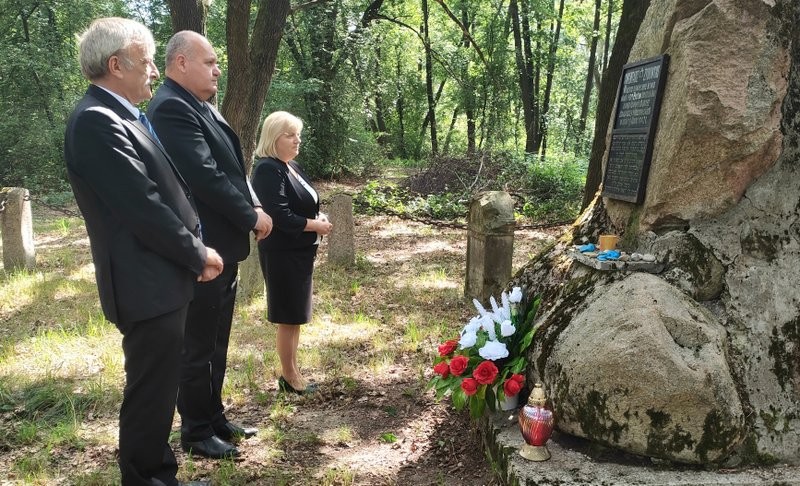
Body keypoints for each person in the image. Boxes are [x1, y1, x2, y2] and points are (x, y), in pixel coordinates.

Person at [64, 17, 221, 486]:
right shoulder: (96, 120)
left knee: (160, 386)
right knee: (151, 392)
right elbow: (144, 207)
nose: (154, 71)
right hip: (143, 281)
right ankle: (147, 478)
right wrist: (197, 253)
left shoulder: (122, 114)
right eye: (147, 61)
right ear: (116, 65)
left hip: (158, 277)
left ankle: (157, 474)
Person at [147, 30, 272, 459]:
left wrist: (253, 202)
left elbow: (233, 166)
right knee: (198, 343)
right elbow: (204, 175)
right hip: (203, 247)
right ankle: (196, 431)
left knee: (216, 339)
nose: (218, 70)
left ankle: (214, 417)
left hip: (223, 245)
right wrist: (250, 216)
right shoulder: (170, 107)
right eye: (209, 62)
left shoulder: (199, 104)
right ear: (181, 63)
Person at [251, 111, 332, 395]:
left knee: (296, 315)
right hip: (282, 253)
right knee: (288, 316)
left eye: (299, 135)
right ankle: (289, 377)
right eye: (290, 135)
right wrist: (315, 226)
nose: (297, 140)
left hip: (300, 251)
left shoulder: (291, 166)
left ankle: (294, 372)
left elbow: (303, 203)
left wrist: (317, 217)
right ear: (274, 138)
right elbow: (280, 216)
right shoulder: (267, 169)